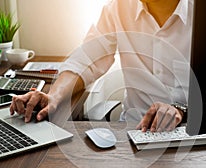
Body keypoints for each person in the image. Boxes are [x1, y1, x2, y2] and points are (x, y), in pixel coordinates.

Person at [10, 0, 194, 132]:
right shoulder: (118, 7)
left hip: (194, 132)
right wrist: (54, 96)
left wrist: (181, 109)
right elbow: (87, 58)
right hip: (135, 131)